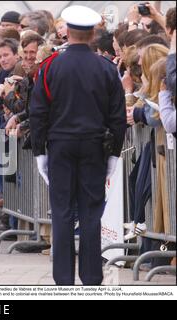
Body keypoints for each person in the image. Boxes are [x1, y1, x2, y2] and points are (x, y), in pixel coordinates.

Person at [29, 5, 126, 285]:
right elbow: (117, 116)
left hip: (60, 145)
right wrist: (114, 154)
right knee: (90, 212)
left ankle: (63, 278)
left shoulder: (50, 67)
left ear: (67, 32)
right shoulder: (106, 68)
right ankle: (92, 275)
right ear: (94, 33)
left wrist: (39, 151)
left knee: (61, 211)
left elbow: (38, 112)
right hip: (95, 146)